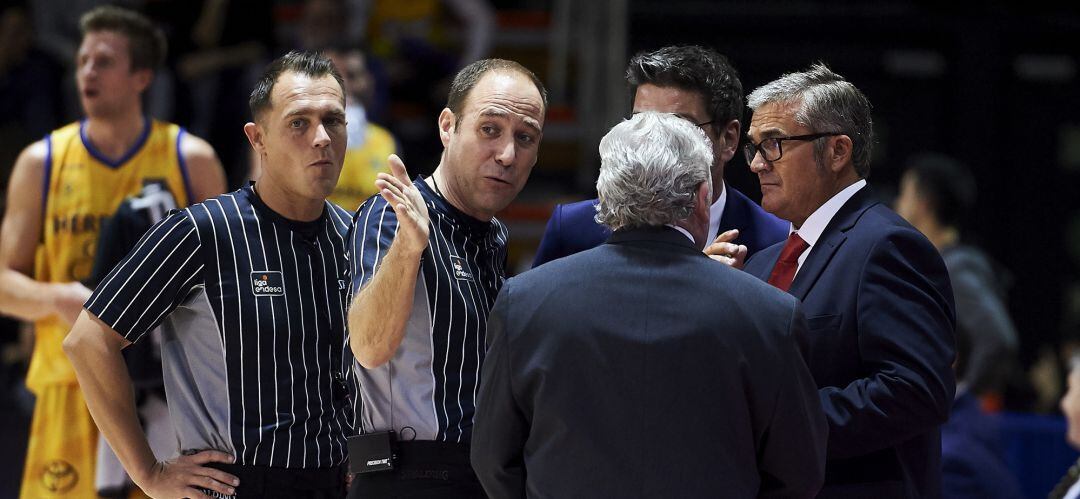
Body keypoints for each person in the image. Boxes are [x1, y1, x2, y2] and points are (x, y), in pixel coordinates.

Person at [470, 111, 827, 498]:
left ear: (604, 198)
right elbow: (799, 473)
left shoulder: (523, 302)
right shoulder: (772, 315)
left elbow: (493, 460)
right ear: (702, 198)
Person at [63, 50, 354, 498]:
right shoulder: (200, 231)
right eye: (299, 122)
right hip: (233, 484)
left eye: (333, 121)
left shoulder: (350, 234)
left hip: (336, 482)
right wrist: (150, 474)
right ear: (258, 139)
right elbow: (88, 340)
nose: (321, 138)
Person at [0, 6, 225, 498]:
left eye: (103, 61)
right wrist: (59, 299)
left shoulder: (191, 159)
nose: (86, 72)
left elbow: (223, 288)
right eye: (82, 61)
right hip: (69, 388)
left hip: (164, 395)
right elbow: (3, 285)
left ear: (141, 76)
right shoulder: (41, 163)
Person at [740, 63, 956, 498]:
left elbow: (916, 389)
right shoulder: (759, 264)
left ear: (838, 151)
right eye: (753, 148)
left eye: (775, 144)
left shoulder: (888, 245)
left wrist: (780, 428)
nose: (757, 164)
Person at [346, 57, 546, 497]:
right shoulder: (393, 213)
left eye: (525, 138)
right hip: (408, 474)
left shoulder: (494, 234)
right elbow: (369, 347)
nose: (507, 154)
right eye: (490, 129)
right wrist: (408, 247)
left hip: (481, 473)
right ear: (447, 126)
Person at [532, 44, 787, 268]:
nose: (656, 141)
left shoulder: (776, 240)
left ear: (729, 139)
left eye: (679, 126)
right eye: (642, 123)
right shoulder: (573, 228)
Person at [895, 153, 1019, 401]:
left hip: (959, 433)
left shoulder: (954, 270)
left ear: (924, 203)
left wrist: (960, 398)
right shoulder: (935, 265)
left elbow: (999, 339)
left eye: (904, 194)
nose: (897, 205)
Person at [323, 45, 397, 210]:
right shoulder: (294, 136)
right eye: (332, 76)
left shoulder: (386, 142)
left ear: (369, 81)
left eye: (351, 75)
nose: (343, 86)